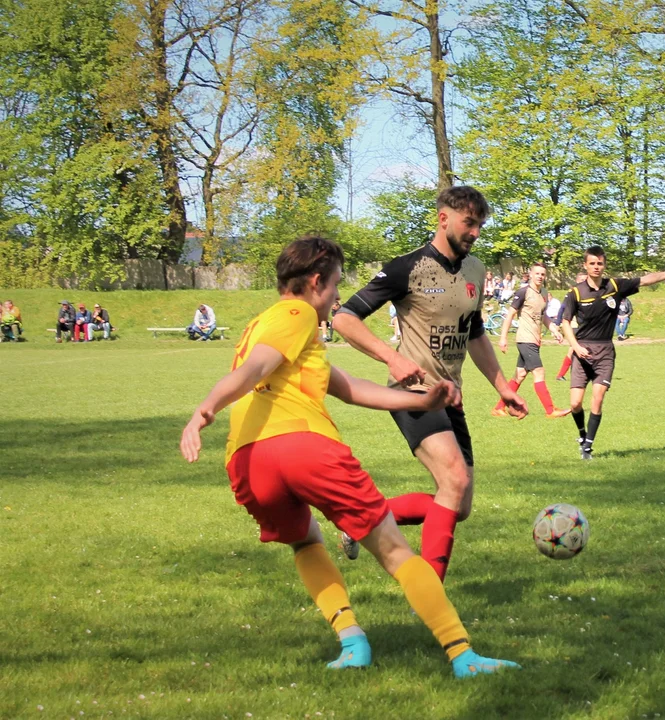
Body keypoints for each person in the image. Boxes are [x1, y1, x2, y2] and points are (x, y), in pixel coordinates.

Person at [179, 235, 517, 677]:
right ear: (316, 281)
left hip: (246, 461)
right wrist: (204, 410)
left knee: (305, 540)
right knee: (396, 552)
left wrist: (420, 402)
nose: (338, 295)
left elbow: (347, 387)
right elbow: (254, 370)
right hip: (303, 448)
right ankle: (462, 656)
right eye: (337, 283)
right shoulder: (298, 313)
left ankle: (352, 642)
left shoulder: (265, 323)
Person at [332, 185, 527, 581]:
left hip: (450, 398)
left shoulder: (475, 270)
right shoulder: (409, 267)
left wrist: (502, 386)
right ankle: (430, 594)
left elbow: (474, 334)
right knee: (453, 480)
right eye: (468, 223)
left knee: (460, 504)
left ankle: (361, 521)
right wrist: (392, 357)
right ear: (443, 219)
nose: (474, 232)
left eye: (479, 225)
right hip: (412, 395)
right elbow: (344, 318)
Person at [561, 246, 665, 460]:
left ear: (604, 265)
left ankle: (588, 447)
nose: (596, 267)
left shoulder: (614, 285)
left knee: (597, 399)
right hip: (582, 350)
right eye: (592, 263)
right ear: (585, 265)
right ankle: (582, 434)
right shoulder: (575, 293)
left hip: (604, 351)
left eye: (600, 263)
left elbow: (648, 279)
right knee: (575, 403)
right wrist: (575, 347)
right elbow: (565, 322)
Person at [493, 262, 570, 419]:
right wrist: (503, 338)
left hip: (535, 340)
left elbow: (544, 317)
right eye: (537, 273)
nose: (540, 276)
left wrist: (554, 330)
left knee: (519, 375)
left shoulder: (543, 293)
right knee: (539, 372)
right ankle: (550, 410)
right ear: (531, 274)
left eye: (543, 274)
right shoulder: (522, 293)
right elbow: (510, 315)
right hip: (525, 339)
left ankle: (499, 407)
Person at [555, 273, 588, 382]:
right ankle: (562, 375)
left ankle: (563, 374)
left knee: (575, 350)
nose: (584, 281)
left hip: (582, 326)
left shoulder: (588, 292)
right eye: (582, 279)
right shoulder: (573, 292)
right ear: (577, 280)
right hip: (573, 326)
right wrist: (557, 323)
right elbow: (562, 307)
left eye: (586, 279)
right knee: (576, 349)